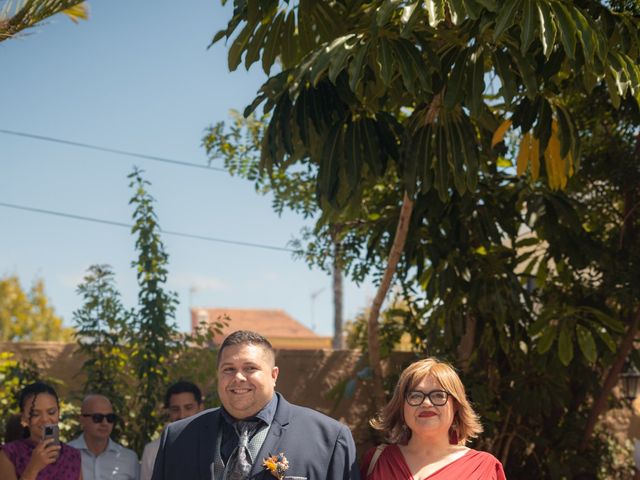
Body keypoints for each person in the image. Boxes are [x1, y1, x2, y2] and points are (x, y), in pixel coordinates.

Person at [151, 330, 360, 480]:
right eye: (228, 369)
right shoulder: (177, 438)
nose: (238, 377)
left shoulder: (329, 439)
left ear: (273, 375)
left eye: (250, 368)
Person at [361, 358, 505, 480]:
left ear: (455, 406)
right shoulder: (377, 460)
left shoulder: (484, 469)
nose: (426, 403)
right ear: (401, 406)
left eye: (438, 395)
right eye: (415, 395)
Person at [0, 381, 82, 480]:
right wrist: (33, 468)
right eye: (35, 414)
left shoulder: (72, 455)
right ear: (23, 418)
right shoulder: (9, 454)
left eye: (51, 412)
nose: (45, 419)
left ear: (58, 413)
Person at [140, 381, 204, 480]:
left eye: (188, 408)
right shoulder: (153, 450)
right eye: (175, 409)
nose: (182, 415)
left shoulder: (216, 444)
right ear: (169, 412)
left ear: (200, 408)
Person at [68, 394, 139, 480]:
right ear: (82, 420)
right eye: (97, 418)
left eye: (110, 418)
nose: (105, 423)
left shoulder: (129, 459)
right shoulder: (64, 455)